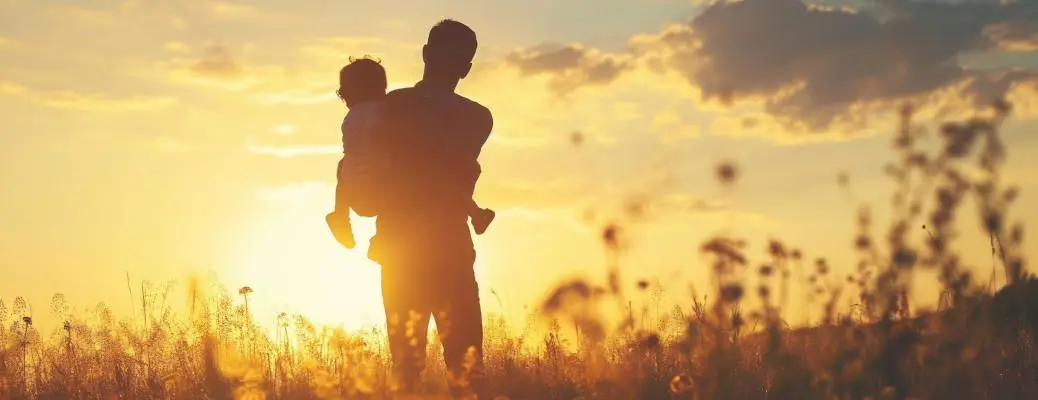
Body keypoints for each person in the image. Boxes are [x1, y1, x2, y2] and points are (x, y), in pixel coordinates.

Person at [362, 19, 493, 397]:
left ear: (425, 54)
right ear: (467, 69)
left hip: (408, 248)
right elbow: (456, 172)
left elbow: (385, 172)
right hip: (443, 247)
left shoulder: (390, 107)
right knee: (461, 363)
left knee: (413, 366)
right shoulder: (475, 117)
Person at [326, 56, 496, 250]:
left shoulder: (351, 117)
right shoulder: (383, 111)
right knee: (436, 175)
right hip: (380, 187)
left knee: (343, 165)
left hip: (355, 189)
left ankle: (340, 214)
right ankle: (475, 212)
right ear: (382, 89)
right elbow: (393, 136)